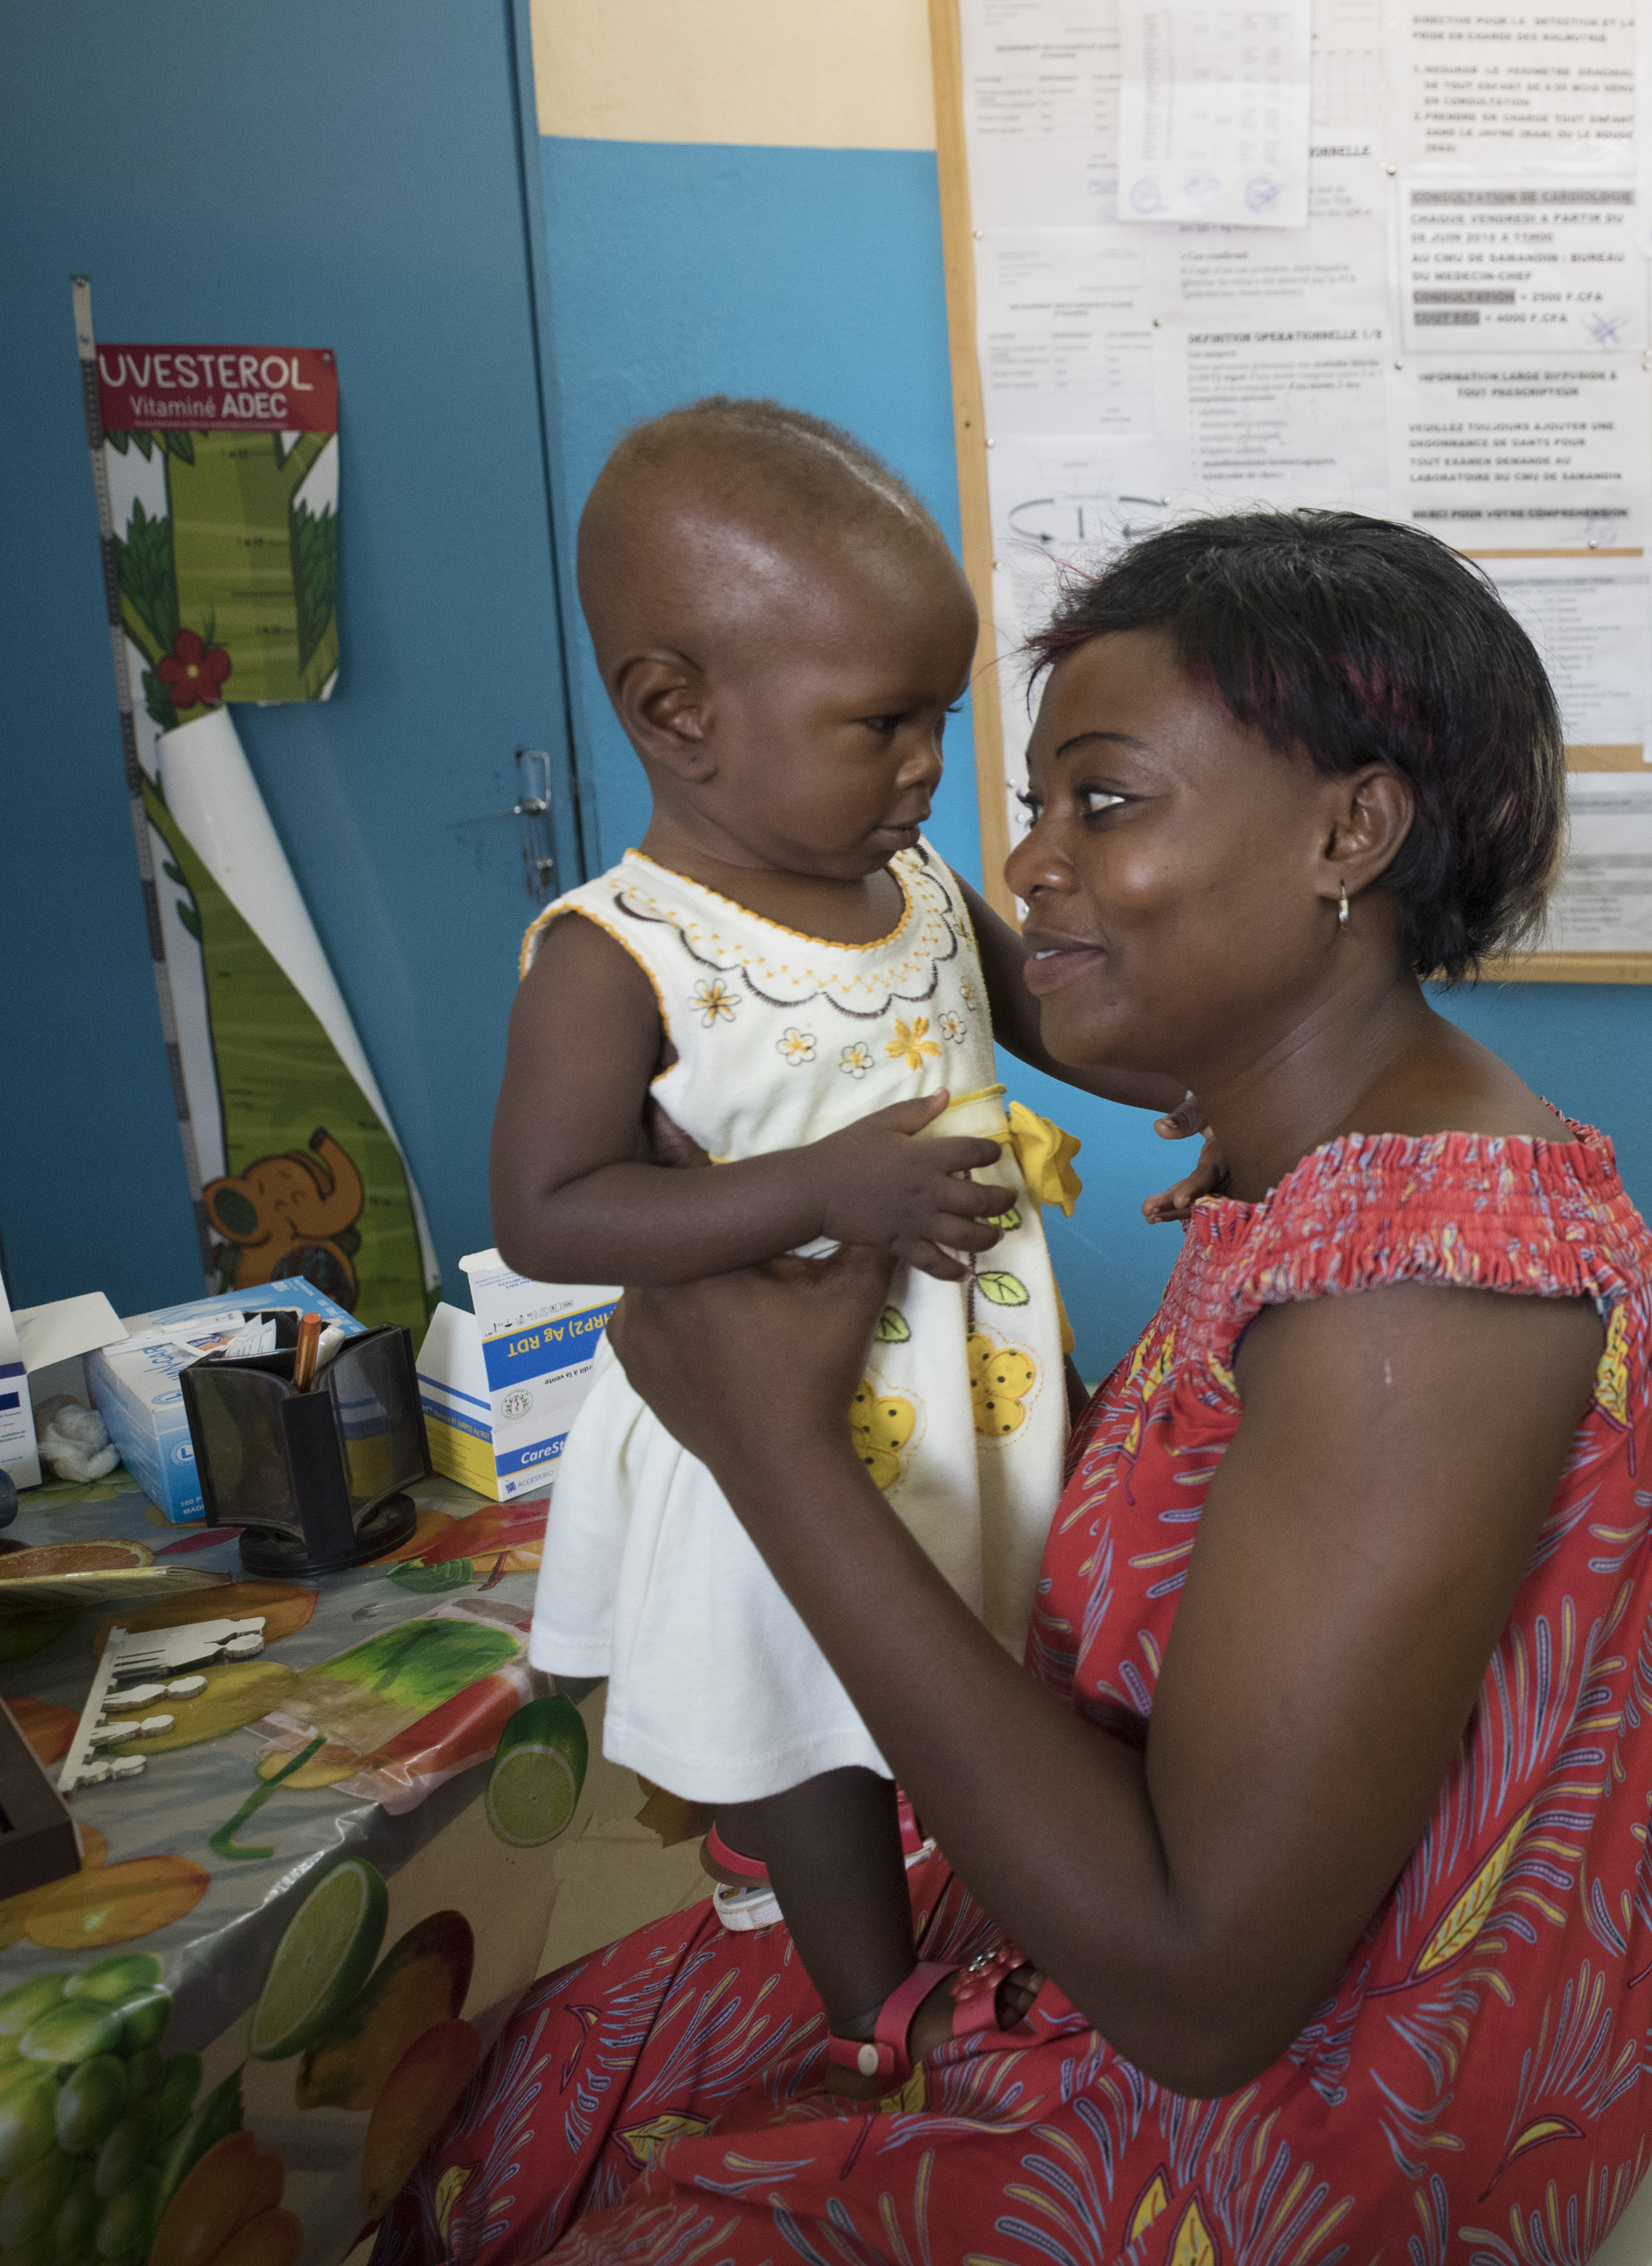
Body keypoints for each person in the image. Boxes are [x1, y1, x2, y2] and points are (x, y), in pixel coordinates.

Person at [400, 507, 1652, 2262]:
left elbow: (1196, 1991)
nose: (1022, 863)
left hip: (1295, 2123)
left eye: (1102, 802)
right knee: (537, 2074)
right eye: (1033, 808)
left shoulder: (1417, 1283)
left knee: (564, 2176)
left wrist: (775, 1452)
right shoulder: (1323, 1175)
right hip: (1213, 1968)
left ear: (1353, 829)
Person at [488, 398, 1163, 2082]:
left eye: (941, 719)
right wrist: (825, 1187)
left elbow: (1062, 1032)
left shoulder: (922, 882)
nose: (928, 769)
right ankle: (873, 2007)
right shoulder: (621, 951)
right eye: (883, 725)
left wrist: (1220, 1049)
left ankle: (982, 1890)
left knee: (976, 1647)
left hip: (969, 1369)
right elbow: (550, 1211)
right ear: (678, 713)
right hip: (768, 1416)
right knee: (811, 1711)